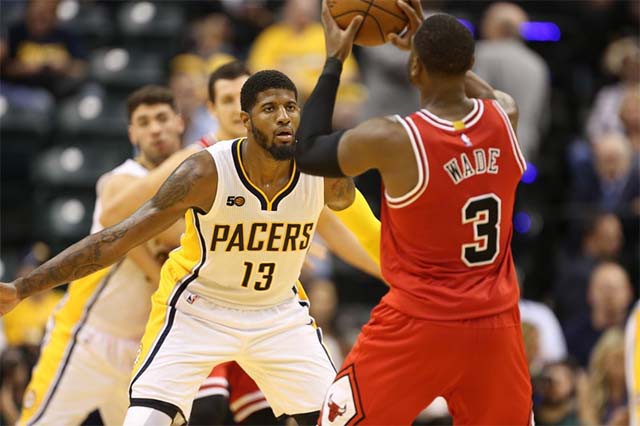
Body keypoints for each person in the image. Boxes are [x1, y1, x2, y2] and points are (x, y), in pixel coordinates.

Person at [0, 69, 358, 426]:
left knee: (337, 418)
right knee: (147, 420)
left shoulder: (318, 172)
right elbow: (115, 238)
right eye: (270, 108)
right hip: (198, 310)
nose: (283, 116)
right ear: (245, 121)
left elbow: (343, 201)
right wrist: (23, 287)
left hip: (277, 315)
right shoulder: (206, 170)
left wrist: (326, 129)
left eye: (291, 107)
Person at [102, 61, 381, 425]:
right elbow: (115, 220)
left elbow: (340, 229)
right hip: (199, 306)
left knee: (269, 415)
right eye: (229, 98)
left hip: (267, 311)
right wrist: (161, 265)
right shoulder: (198, 163)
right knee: (206, 408)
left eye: (244, 95)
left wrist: (392, 274)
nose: (239, 106)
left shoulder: (291, 164)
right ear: (216, 109)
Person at [294, 0, 532, 423]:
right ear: (470, 63)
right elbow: (488, 94)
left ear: (414, 68)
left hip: (417, 325)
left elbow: (308, 152)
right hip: (495, 327)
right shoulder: (504, 116)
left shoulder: (396, 138)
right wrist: (429, 44)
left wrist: (334, 59)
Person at [16, 86, 184, 425]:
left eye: (162, 118)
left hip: (144, 346)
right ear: (132, 133)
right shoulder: (122, 179)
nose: (155, 128)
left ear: (180, 122)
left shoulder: (196, 187)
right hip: (87, 337)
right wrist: (158, 274)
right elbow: (116, 216)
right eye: (144, 121)